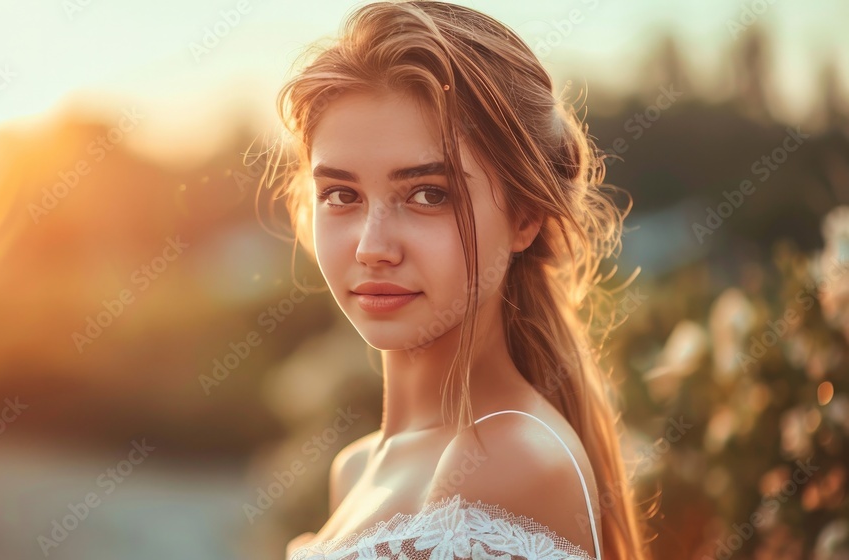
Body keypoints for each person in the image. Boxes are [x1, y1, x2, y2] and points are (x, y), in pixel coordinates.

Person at [259, 1, 655, 558]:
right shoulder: (355, 469)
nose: (373, 247)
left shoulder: (507, 461)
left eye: (428, 194)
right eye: (342, 195)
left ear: (524, 217)